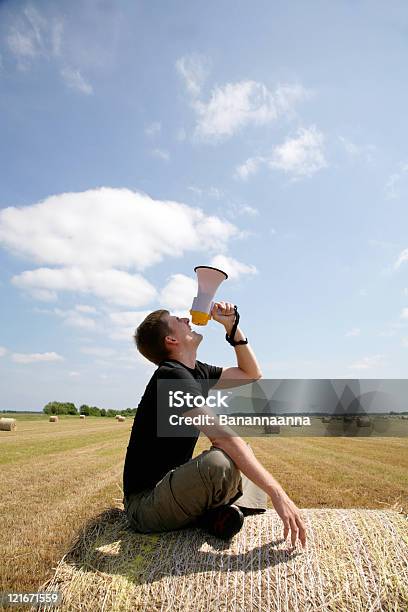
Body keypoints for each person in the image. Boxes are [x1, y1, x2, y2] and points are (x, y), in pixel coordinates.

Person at [123, 301, 306, 547]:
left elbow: (251, 374)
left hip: (171, 489)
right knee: (220, 462)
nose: (186, 319)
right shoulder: (171, 375)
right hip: (145, 507)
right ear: (171, 340)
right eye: (178, 320)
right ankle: (212, 512)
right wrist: (277, 493)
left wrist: (232, 328)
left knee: (242, 454)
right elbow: (222, 438)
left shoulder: (196, 371)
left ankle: (208, 514)